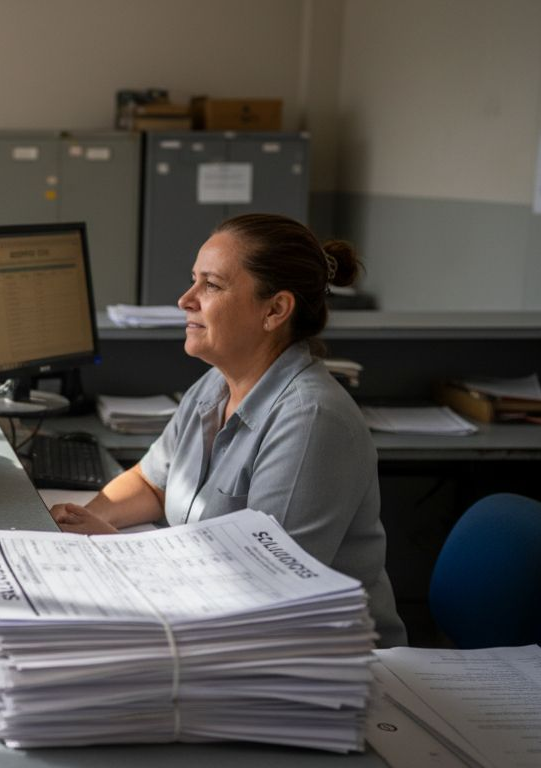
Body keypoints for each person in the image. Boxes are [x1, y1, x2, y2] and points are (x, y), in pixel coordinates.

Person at [49, 213, 407, 647]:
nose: (185, 299)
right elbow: (152, 482)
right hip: (214, 629)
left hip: (319, 660)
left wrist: (115, 550)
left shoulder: (311, 419)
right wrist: (81, 523)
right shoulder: (216, 385)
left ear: (275, 310)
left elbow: (265, 591)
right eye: (193, 281)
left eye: (212, 285)